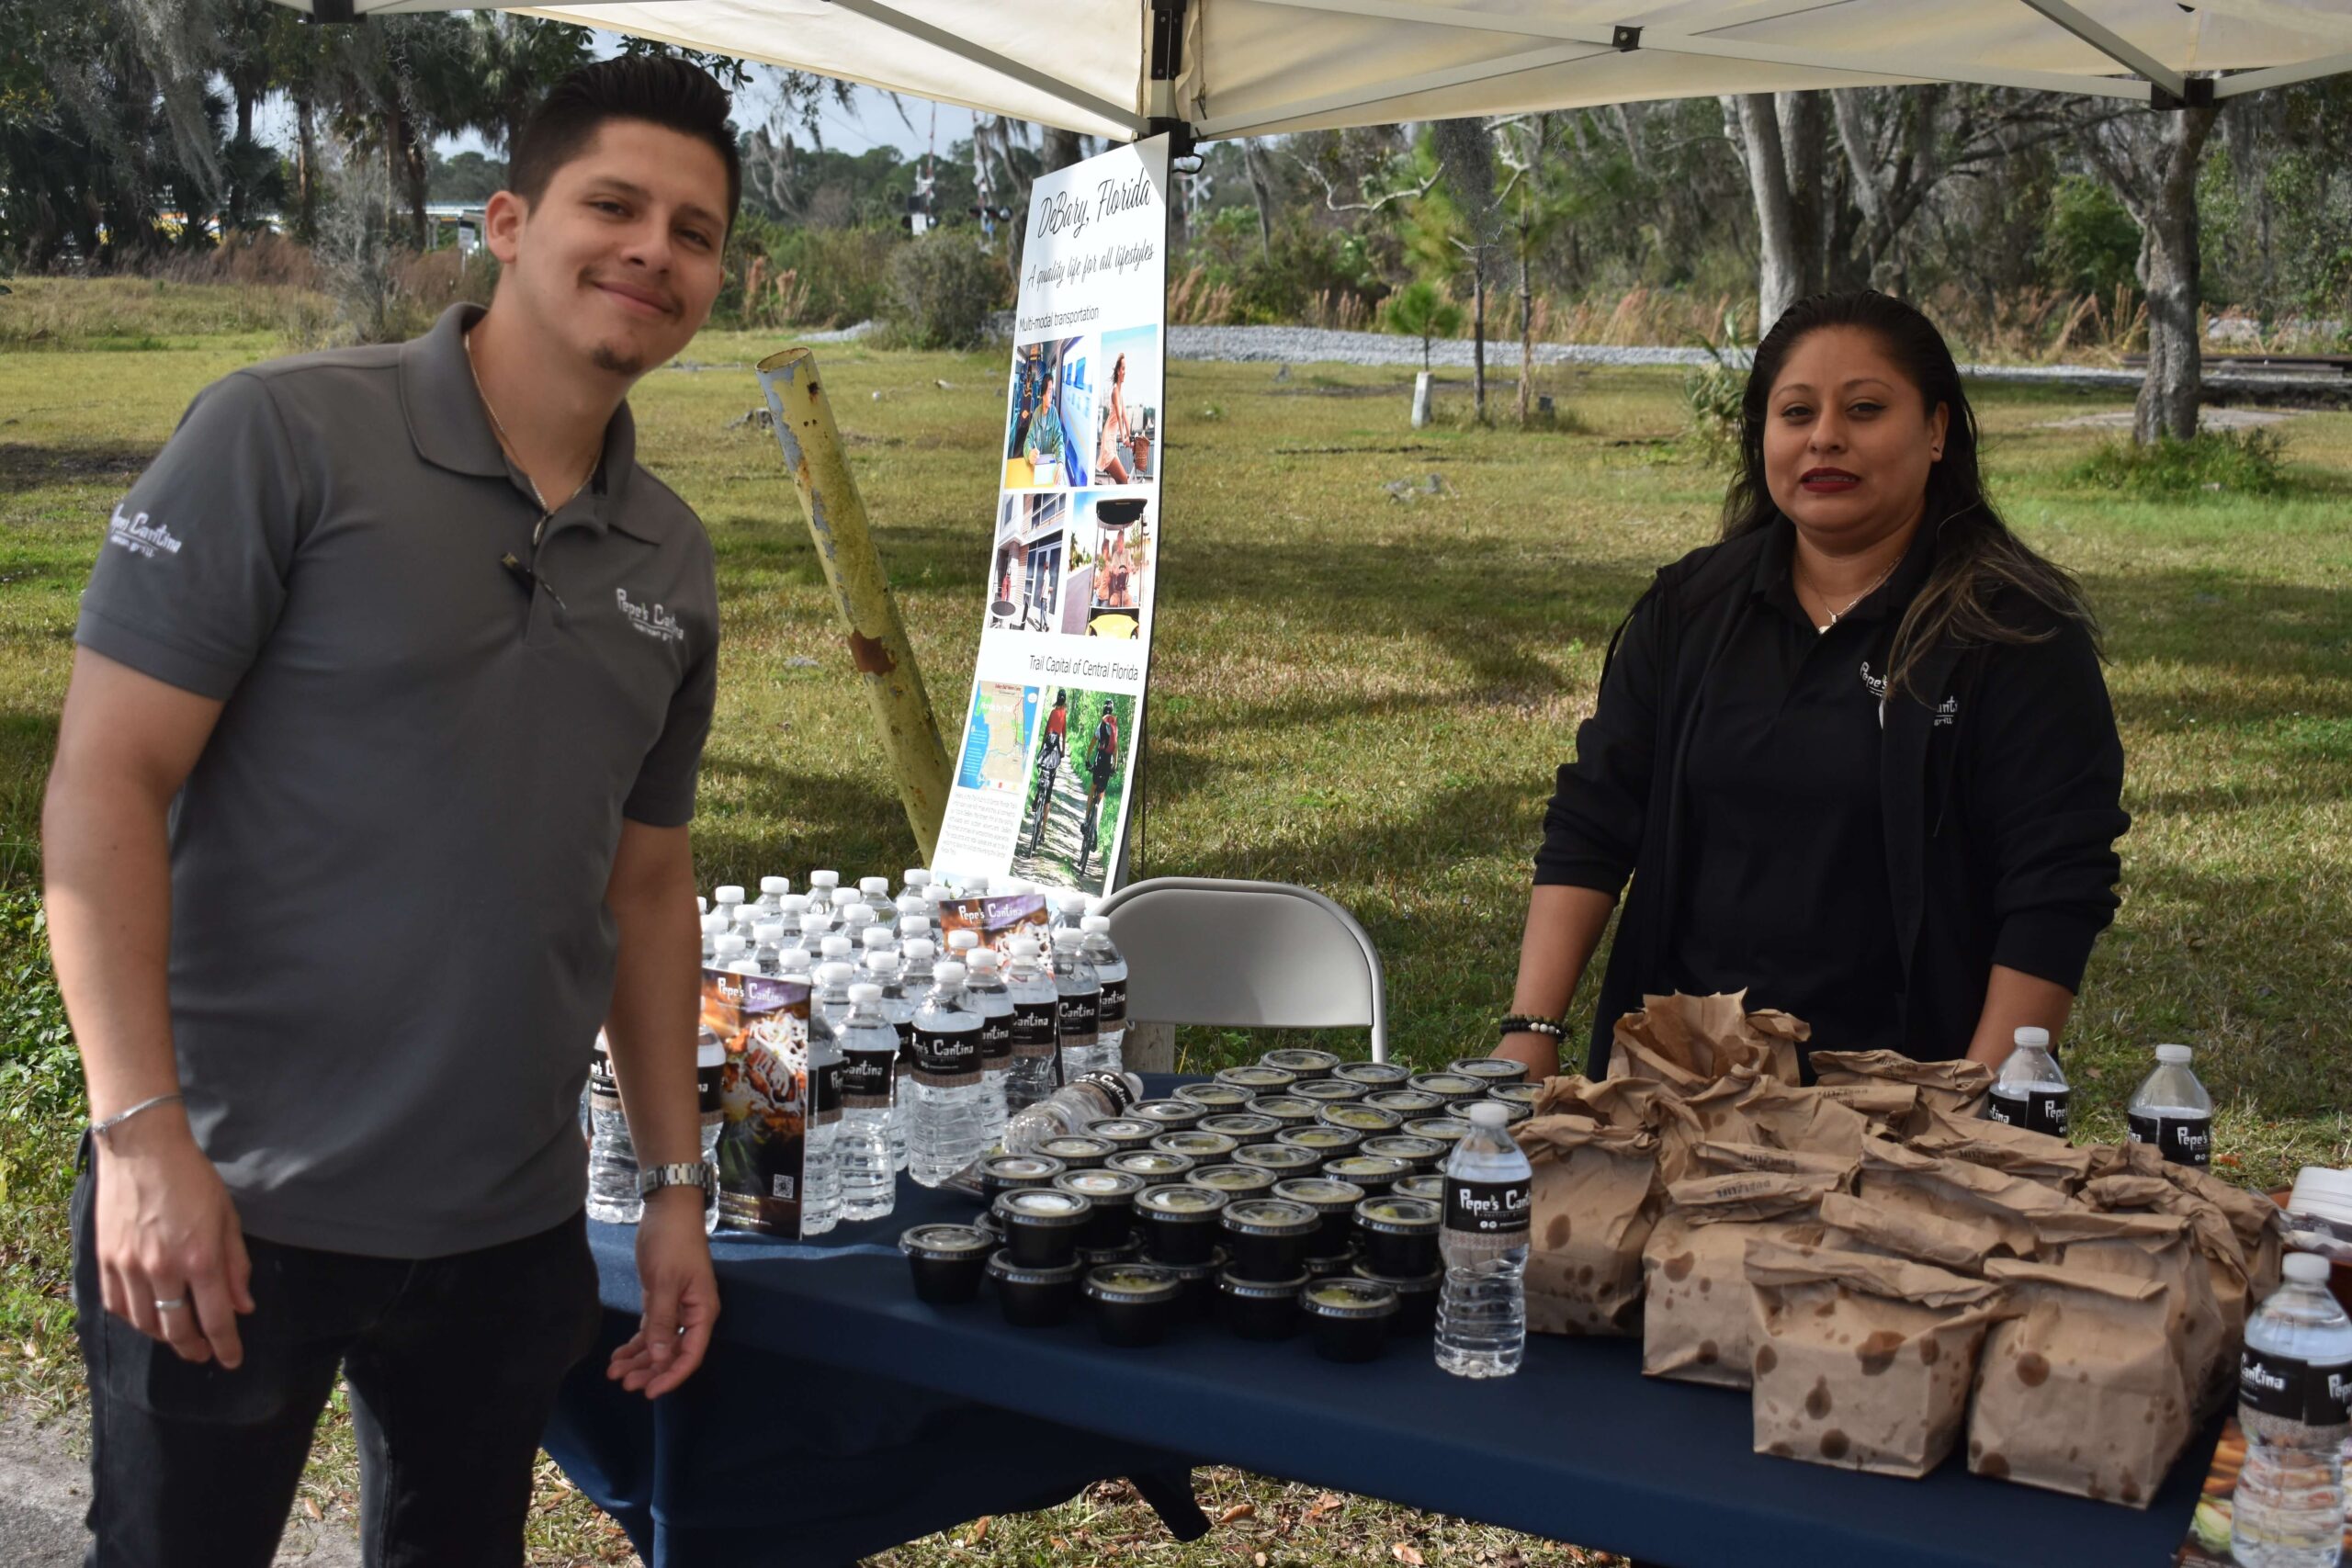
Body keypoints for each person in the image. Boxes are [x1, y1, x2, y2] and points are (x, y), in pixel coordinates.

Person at [43, 57, 735, 1566]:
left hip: (500, 1218)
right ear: (506, 219)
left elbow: (646, 887)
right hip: (230, 1196)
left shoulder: (669, 559)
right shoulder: (280, 439)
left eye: (693, 232)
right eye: (612, 205)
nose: (652, 251)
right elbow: (108, 781)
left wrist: (677, 1190)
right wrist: (143, 1141)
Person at [1495, 290, 2128, 1084]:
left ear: (1935, 430)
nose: (1826, 437)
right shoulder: (1691, 609)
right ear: (1763, 436)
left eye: (1864, 409)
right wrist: (1531, 1026)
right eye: (1796, 413)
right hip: (1680, 1082)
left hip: (1907, 1094)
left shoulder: (2012, 633)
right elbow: (1594, 818)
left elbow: (2054, 888)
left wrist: (1976, 1099)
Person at [1096, 353, 1135, 484]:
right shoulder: (1115, 392)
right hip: (1108, 441)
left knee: (1120, 481)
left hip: (1112, 441)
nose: (1125, 372)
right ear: (1118, 371)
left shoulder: (1120, 393)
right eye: (1123, 369)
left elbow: (1125, 417)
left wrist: (1131, 438)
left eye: (1125, 369)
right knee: (1124, 479)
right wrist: (1124, 438)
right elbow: (1118, 416)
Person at [1023, 363, 1065, 471]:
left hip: (1049, 466)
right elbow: (1029, 439)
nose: (1051, 395)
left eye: (1052, 391)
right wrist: (1029, 454)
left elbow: (1059, 440)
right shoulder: (1036, 414)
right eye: (1049, 391)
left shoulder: (1054, 413)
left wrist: (1060, 462)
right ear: (1043, 394)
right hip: (1036, 465)